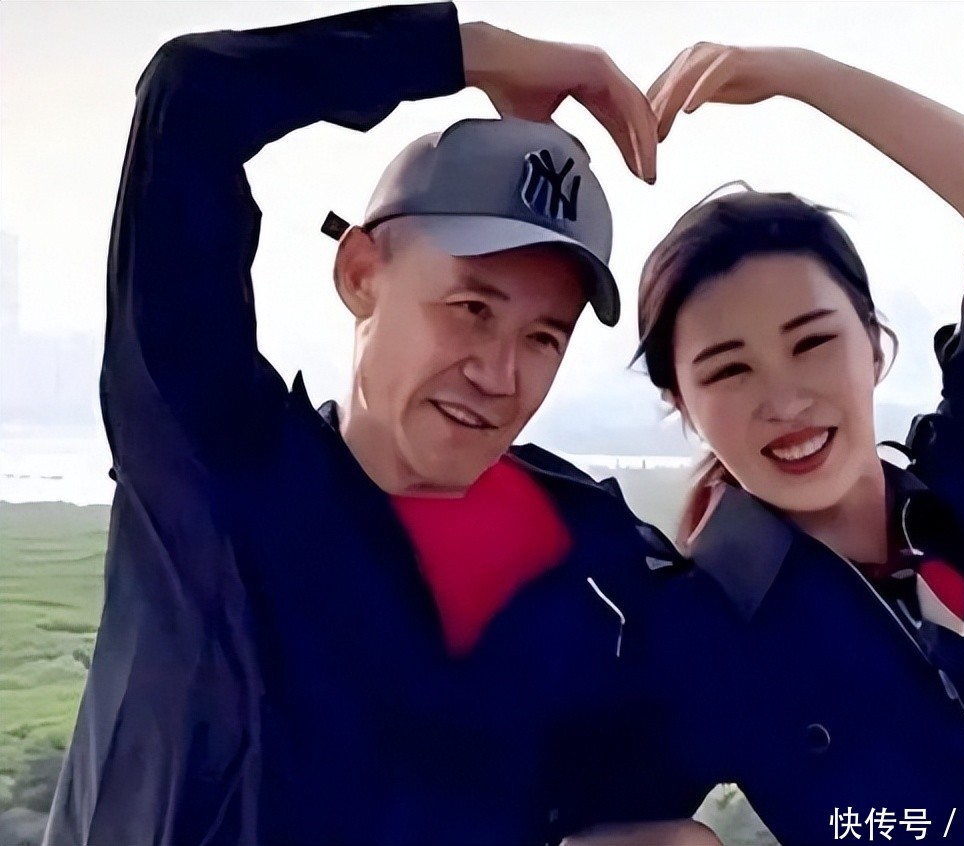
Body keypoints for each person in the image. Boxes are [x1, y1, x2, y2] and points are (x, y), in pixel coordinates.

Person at [42, 4, 707, 845]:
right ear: (360, 273)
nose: (499, 375)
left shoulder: (585, 558)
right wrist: (472, 51)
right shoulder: (215, 471)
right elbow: (192, 97)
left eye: (544, 337)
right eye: (471, 308)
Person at [619, 42, 964, 845]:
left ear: (875, 346)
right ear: (683, 404)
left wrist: (796, 74)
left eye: (813, 342)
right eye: (730, 370)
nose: (786, 401)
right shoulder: (705, 629)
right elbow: (600, 819)